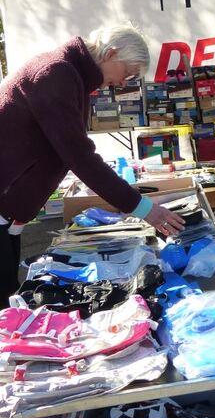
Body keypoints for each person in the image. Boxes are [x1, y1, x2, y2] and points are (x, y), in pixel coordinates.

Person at [0, 24, 184, 306]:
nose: (123, 83)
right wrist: (143, 208)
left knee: (7, 296)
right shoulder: (56, 73)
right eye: (127, 73)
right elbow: (79, 156)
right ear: (111, 53)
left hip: (9, 211)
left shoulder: (71, 75)